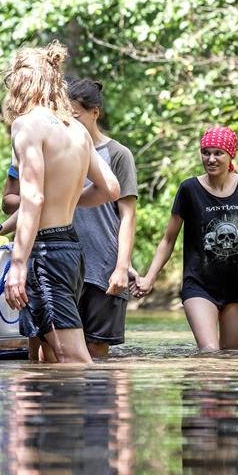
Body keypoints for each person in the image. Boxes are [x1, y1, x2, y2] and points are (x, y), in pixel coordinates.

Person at [1, 41, 120, 365]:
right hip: (69, 247)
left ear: (23, 81)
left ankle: (103, 413)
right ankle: (57, 417)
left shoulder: (26, 125)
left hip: (45, 252)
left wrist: (18, 263)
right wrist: (67, 201)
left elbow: (33, 197)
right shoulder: (77, 130)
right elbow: (110, 188)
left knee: (72, 355)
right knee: (46, 356)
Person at [135, 126, 238, 352]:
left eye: (218, 153)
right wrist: (150, 276)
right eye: (206, 152)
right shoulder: (189, 189)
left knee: (232, 357)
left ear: (230, 155)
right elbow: (168, 240)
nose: (211, 158)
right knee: (209, 352)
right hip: (199, 285)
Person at [67, 78, 139, 359]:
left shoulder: (118, 154)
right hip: (66, 264)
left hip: (103, 267)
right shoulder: (62, 151)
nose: (69, 122)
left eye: (75, 115)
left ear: (94, 112)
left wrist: (122, 267)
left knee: (97, 354)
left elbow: (128, 215)